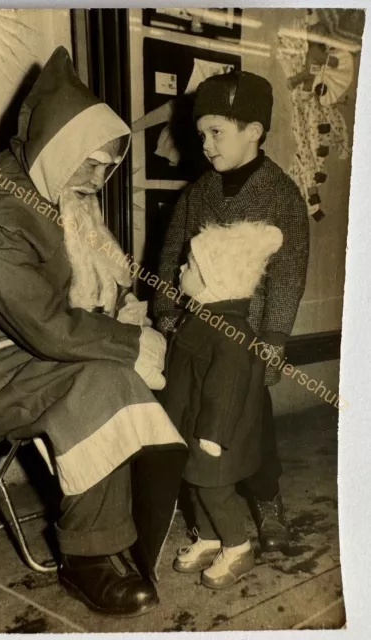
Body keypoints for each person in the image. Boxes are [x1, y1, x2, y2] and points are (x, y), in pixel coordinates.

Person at [0, 46, 187, 618]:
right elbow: (47, 328)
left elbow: (91, 281)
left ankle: (121, 528)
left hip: (28, 357)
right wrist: (129, 342)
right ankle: (88, 558)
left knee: (124, 369)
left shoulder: (50, 185)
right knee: (101, 382)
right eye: (90, 164)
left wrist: (123, 311)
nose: (98, 180)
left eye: (106, 167)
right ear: (56, 147)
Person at [154, 70, 310, 554]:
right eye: (201, 134)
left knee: (252, 425)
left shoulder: (281, 196)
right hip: (195, 335)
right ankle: (203, 511)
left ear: (254, 131)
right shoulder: (196, 194)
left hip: (248, 340)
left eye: (216, 132)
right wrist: (164, 315)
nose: (206, 144)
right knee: (194, 421)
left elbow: (287, 275)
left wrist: (274, 339)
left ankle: (266, 500)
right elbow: (171, 258)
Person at [160, 221, 283, 589]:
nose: (180, 270)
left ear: (215, 277)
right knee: (195, 484)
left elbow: (225, 389)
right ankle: (211, 539)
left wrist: (213, 434)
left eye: (190, 266)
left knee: (214, 490)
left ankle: (238, 547)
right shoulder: (200, 318)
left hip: (216, 435)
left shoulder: (230, 333)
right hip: (192, 424)